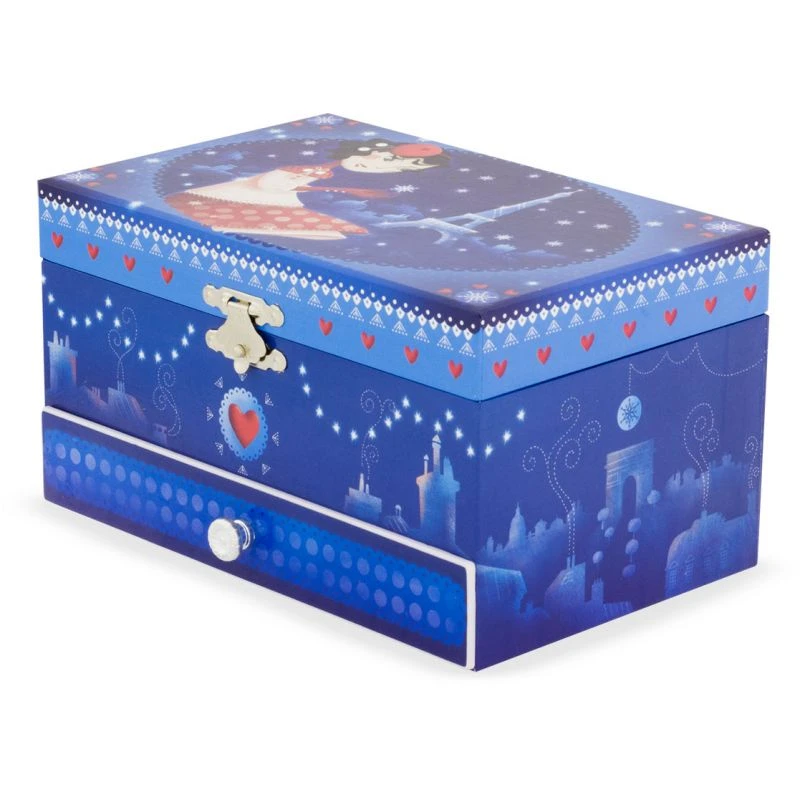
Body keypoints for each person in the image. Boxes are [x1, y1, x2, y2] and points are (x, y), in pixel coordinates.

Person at [165, 139, 449, 240]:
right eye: (386, 159)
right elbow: (268, 185)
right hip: (237, 200)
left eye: (397, 169)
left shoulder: (333, 177)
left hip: (277, 205)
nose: (379, 165)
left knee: (330, 234)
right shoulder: (312, 169)